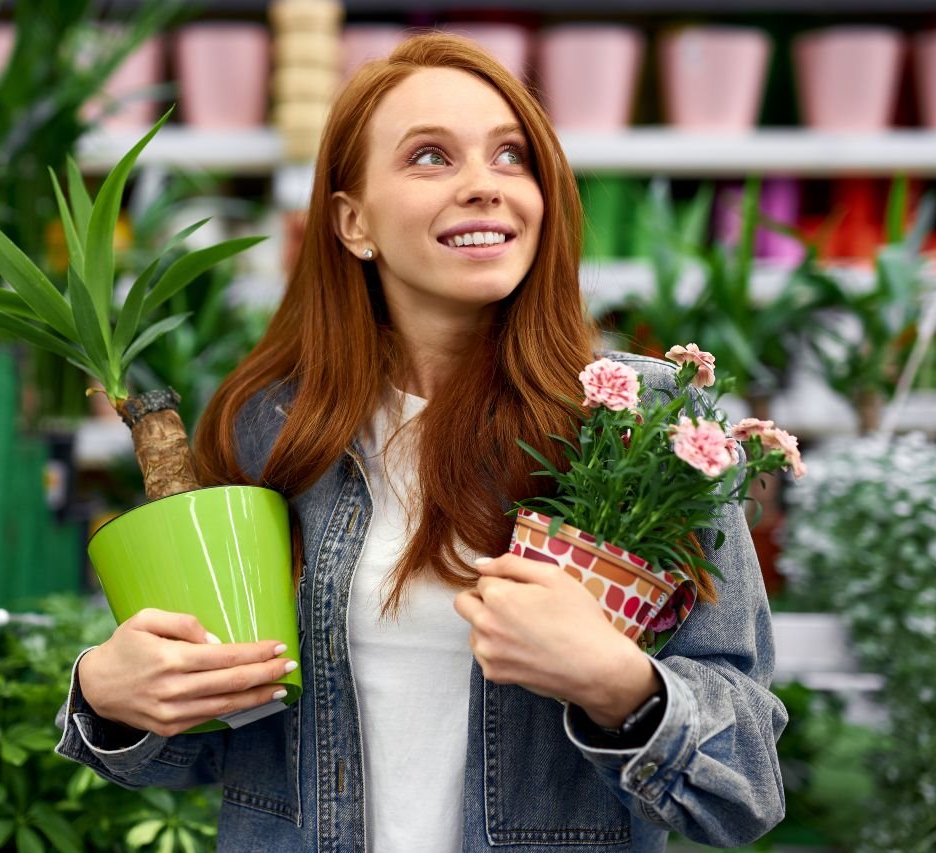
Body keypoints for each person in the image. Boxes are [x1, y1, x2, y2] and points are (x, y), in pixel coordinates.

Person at [57, 32, 787, 852]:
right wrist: (107, 693)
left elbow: (747, 785)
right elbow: (218, 734)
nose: (485, 185)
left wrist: (618, 682)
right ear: (352, 221)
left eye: (512, 156)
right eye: (431, 157)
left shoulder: (644, 425)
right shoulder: (272, 428)